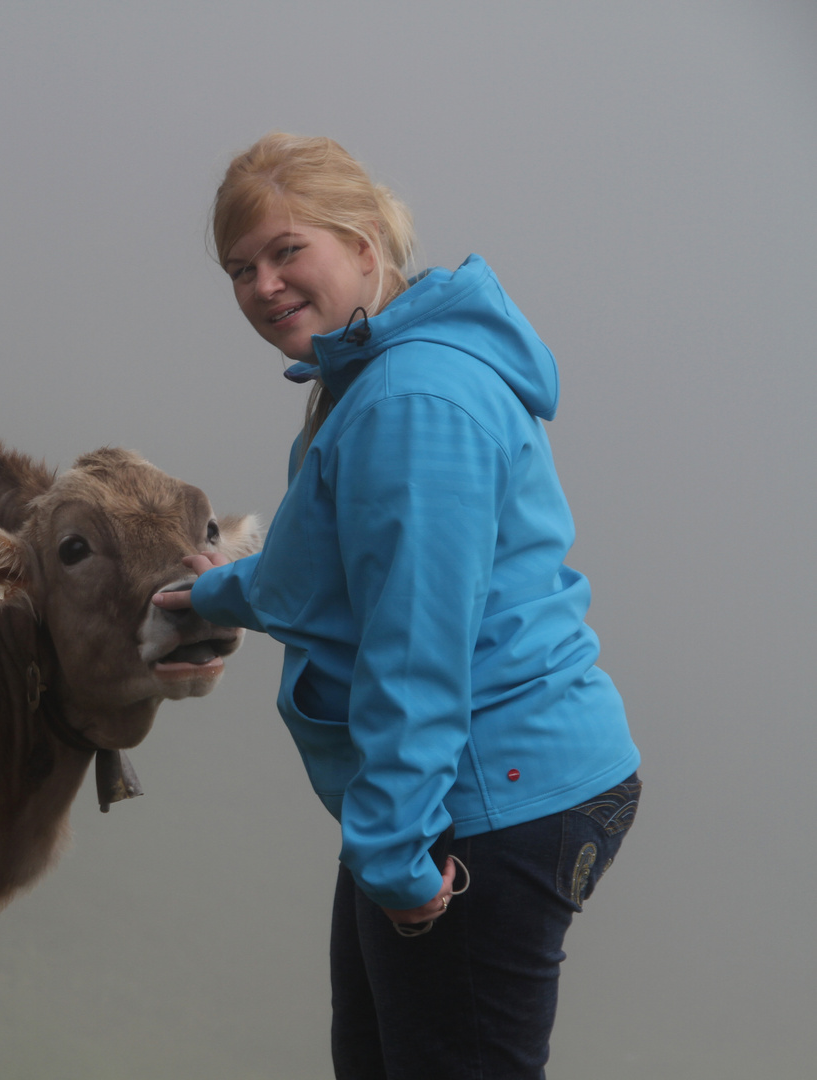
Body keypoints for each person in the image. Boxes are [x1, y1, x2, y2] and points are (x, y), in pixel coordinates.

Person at [152, 132, 641, 1079]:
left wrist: (393, 858)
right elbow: (328, 569)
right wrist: (208, 592)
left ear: (367, 244)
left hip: (483, 795)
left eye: (288, 250)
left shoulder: (412, 400)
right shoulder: (373, 380)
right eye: (240, 268)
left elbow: (415, 646)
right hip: (447, 790)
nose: (262, 286)